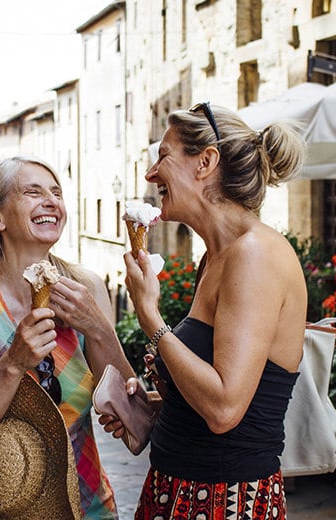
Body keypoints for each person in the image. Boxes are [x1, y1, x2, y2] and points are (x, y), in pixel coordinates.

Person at [102, 102, 308, 519]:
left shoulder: (255, 255)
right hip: (177, 489)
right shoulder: (215, 256)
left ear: (206, 162)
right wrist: (156, 406)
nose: (151, 173)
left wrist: (152, 321)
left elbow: (224, 409)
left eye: (163, 156)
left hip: (224, 501)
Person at [0, 156, 136, 519]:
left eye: (57, 193)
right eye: (33, 192)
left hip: (89, 504)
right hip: (4, 510)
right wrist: (12, 362)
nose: (51, 201)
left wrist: (98, 328)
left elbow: (130, 411)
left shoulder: (86, 287)